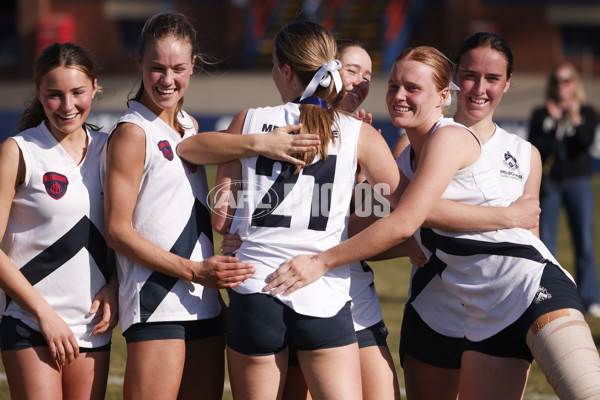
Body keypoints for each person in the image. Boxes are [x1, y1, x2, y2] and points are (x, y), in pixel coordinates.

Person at [266, 46, 600, 400]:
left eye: (413, 88)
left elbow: (404, 219)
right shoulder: (398, 152)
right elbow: (356, 226)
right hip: (484, 317)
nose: (399, 96)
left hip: (530, 285)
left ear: (443, 96)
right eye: (393, 85)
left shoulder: (451, 137)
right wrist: (359, 168)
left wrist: (321, 262)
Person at [209, 21, 404, 400]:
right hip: (322, 290)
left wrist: (239, 226)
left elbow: (222, 218)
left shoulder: (247, 121)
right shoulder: (358, 133)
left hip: (255, 286)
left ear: (285, 70)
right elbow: (402, 208)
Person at [102, 12, 257, 400]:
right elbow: (118, 232)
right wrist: (193, 270)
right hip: (157, 302)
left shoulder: (188, 126)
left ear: (194, 67)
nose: (167, 80)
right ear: (139, 62)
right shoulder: (132, 131)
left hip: (203, 300)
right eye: (156, 68)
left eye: (177, 68)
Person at [396, 32, 543, 400]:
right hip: (435, 311)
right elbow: (390, 220)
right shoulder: (414, 140)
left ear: (507, 84)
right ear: (452, 79)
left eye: (493, 78)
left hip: (503, 312)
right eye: (470, 75)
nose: (479, 88)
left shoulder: (524, 154)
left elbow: (530, 238)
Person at [0, 42, 118, 400]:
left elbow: (126, 233)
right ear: (38, 93)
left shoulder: (111, 148)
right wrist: (44, 315)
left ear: (95, 87)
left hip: (92, 326)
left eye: (78, 92)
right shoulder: (19, 151)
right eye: (54, 95)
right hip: (29, 322)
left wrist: (114, 286)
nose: (67, 106)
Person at [528, 61, 600, 318]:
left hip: (579, 181)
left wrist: (576, 120)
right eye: (557, 81)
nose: (562, 86)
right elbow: (536, 149)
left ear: (575, 84)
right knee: (546, 241)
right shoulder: (540, 113)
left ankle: (590, 297)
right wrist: (555, 123)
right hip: (551, 184)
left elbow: (585, 142)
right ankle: (550, 294)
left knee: (585, 241)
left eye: (567, 80)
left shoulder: (588, 112)